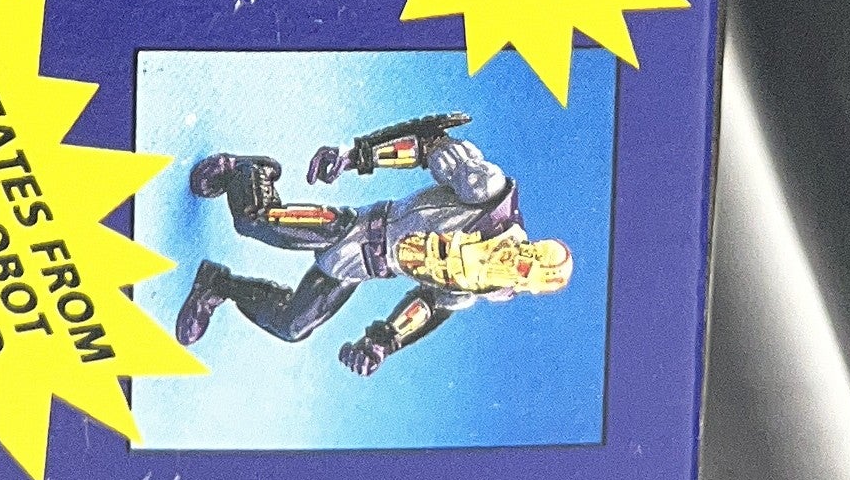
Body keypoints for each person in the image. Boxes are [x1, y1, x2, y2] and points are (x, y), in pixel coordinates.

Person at [173, 109, 572, 375]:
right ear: (531, 246)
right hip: (352, 229)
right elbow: (429, 145)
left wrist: (381, 344)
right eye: (528, 258)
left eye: (524, 277)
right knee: (255, 221)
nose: (516, 265)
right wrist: (352, 157)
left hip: (358, 269)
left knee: (293, 325)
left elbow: (431, 304)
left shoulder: (481, 286)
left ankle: (216, 284)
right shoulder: (487, 193)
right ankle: (246, 170)